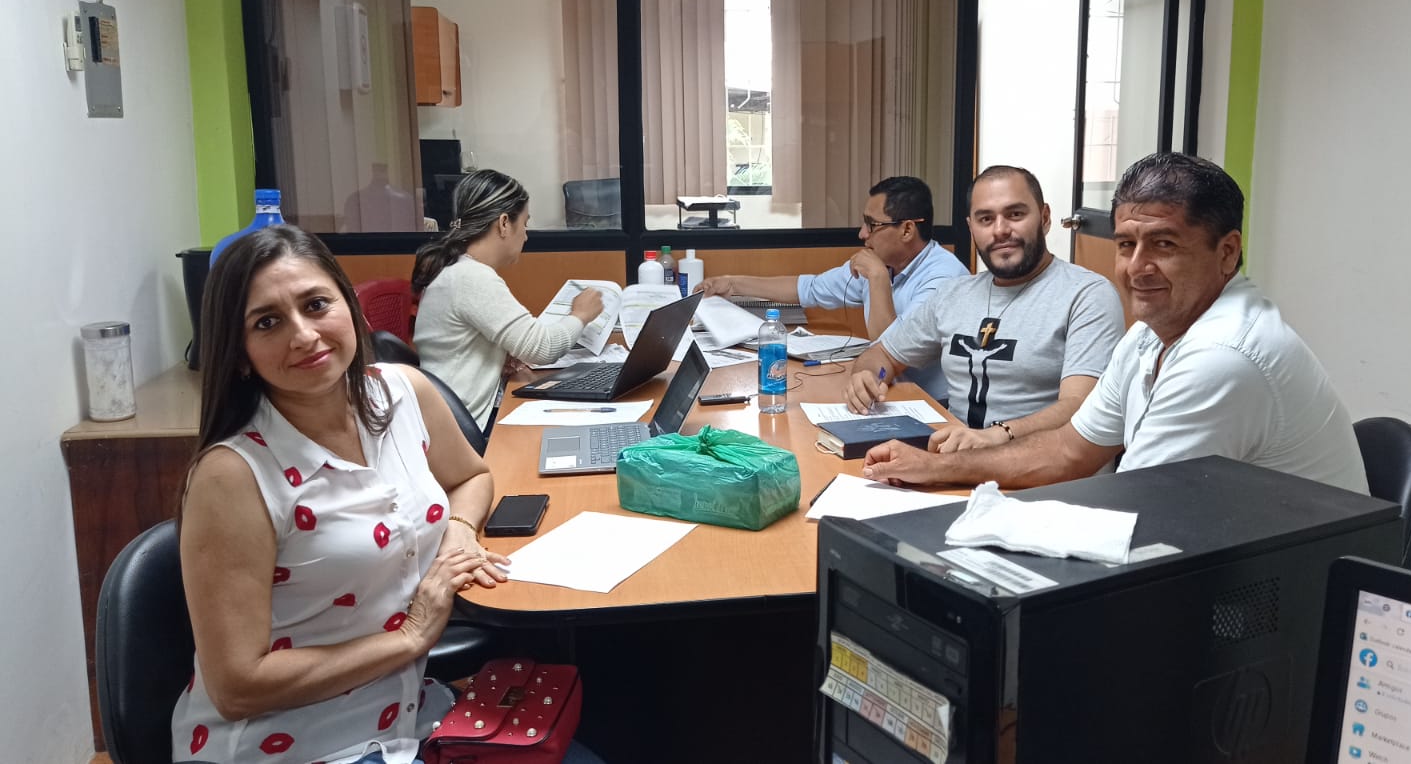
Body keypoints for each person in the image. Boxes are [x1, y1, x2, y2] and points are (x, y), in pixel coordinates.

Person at [170, 224, 596, 764]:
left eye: (316, 304)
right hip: (296, 746)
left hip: (410, 714)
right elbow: (237, 686)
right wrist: (412, 637)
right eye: (267, 322)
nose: (303, 335)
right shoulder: (232, 475)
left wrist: (459, 534)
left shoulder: (401, 392)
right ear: (239, 352)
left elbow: (471, 476)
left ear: (349, 306)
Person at [862, 152, 1370, 494]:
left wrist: (963, 473)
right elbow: (1070, 450)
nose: (1137, 267)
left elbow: (1134, 510)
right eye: (1126, 244)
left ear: (1227, 251)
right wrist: (937, 467)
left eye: (1164, 244)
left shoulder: (1221, 356)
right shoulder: (1150, 335)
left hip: (1279, 601)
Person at [845, 166, 1124, 450]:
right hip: (954, 457)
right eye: (986, 219)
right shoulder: (953, 294)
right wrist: (870, 377)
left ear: (1044, 218)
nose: (1000, 230)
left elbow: (1080, 405)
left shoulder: (1087, 295)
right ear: (971, 228)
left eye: (1015, 214)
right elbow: (883, 355)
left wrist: (999, 434)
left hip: (1037, 465)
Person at [697, 176, 968, 399]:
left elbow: (891, 349)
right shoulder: (885, 263)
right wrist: (733, 283)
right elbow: (809, 288)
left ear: (907, 230)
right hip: (885, 389)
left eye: (872, 225)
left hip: (931, 404)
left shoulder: (943, 280)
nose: (862, 234)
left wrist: (877, 279)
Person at [412, 170, 605, 430]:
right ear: (504, 223)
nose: (526, 235)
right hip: (465, 429)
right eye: (524, 223)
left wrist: (498, 357)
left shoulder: (458, 270)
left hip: (453, 419)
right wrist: (581, 314)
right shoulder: (470, 277)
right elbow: (543, 348)